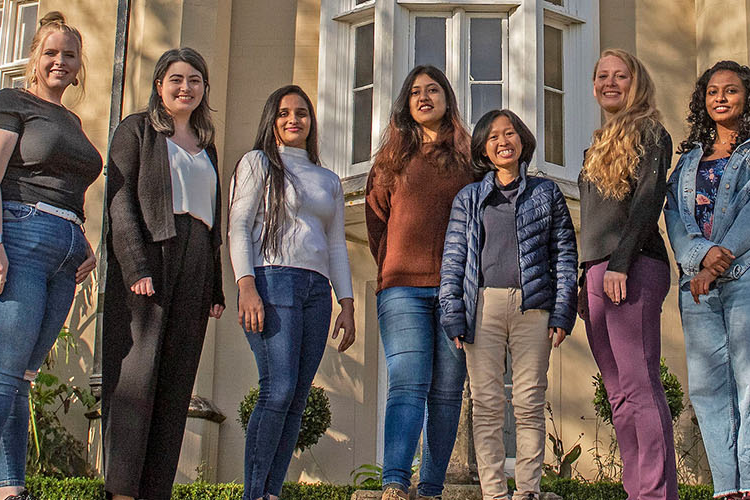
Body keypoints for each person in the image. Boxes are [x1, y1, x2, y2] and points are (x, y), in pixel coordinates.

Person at [0, 12, 99, 500]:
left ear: (79, 67)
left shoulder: (72, 121)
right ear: (35, 60)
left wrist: (86, 245)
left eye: (70, 55)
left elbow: (70, 190)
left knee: (22, 375)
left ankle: (10, 491)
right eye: (52, 53)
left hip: (63, 251)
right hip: (13, 236)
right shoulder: (10, 102)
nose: (61, 62)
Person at [667, 60, 750, 500]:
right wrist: (700, 258)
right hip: (698, 287)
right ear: (703, 102)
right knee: (708, 388)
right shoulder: (687, 164)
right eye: (712, 91)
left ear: (748, 98)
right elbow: (675, 220)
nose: (721, 97)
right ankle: (728, 488)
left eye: (731, 90)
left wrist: (717, 261)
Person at [101, 47, 224, 500]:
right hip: (152, 257)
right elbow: (120, 201)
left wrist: (214, 286)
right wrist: (135, 265)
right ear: (159, 86)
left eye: (194, 80)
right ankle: (122, 491)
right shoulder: (136, 130)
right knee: (137, 379)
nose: (185, 88)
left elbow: (213, 223)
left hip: (194, 265)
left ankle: (155, 491)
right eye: (176, 79)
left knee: (176, 383)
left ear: (204, 89)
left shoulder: (208, 146)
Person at [437, 110, 578, 500]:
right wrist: (453, 314)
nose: (503, 141)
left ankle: (528, 492)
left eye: (510, 133)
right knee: (486, 404)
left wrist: (564, 310)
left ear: (522, 141)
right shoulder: (468, 198)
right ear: (483, 148)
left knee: (530, 401)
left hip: (534, 307)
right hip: (482, 307)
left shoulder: (545, 193)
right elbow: (453, 259)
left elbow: (564, 253)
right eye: (494, 136)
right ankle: (495, 494)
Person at [229, 85, 358, 500]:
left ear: (311, 122)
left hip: (317, 291)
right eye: (284, 113)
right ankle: (254, 492)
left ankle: (271, 492)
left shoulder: (328, 179)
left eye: (301, 113)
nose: (293, 120)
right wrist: (245, 284)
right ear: (272, 118)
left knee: (298, 398)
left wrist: (348, 302)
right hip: (271, 280)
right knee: (278, 388)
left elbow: (336, 243)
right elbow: (238, 227)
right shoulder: (257, 163)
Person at [365, 65, 481, 500]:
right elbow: (377, 220)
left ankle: (431, 487)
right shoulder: (391, 160)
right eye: (415, 91)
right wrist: (392, 265)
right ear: (406, 104)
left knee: (448, 392)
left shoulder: (470, 161)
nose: (424, 96)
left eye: (433, 90)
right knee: (408, 381)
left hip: (456, 292)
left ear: (448, 100)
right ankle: (395, 481)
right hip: (402, 290)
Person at [578, 48, 679, 500]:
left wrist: (620, 263)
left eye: (621, 75)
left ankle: (656, 493)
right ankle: (635, 490)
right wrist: (585, 279)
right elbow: (594, 221)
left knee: (640, 384)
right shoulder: (594, 147)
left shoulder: (651, 134)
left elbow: (647, 201)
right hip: (597, 274)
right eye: (603, 76)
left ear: (636, 83)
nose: (610, 83)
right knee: (617, 395)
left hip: (635, 268)